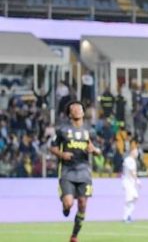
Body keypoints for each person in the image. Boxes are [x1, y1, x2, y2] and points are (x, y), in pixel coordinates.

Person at [50, 100, 97, 242]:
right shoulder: (62, 130)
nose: (77, 110)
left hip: (84, 172)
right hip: (67, 171)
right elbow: (52, 147)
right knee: (69, 203)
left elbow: (96, 150)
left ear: (83, 112)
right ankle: (65, 206)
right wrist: (62, 154)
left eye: (79, 108)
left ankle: (74, 235)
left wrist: (94, 150)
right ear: (70, 114)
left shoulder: (90, 130)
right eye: (74, 109)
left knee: (82, 203)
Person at [122, 142, 140, 223]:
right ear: (132, 152)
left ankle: (128, 215)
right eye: (136, 151)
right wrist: (137, 180)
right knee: (129, 199)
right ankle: (125, 217)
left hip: (131, 182)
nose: (137, 153)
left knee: (134, 198)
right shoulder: (129, 160)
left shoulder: (132, 160)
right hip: (128, 182)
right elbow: (132, 171)